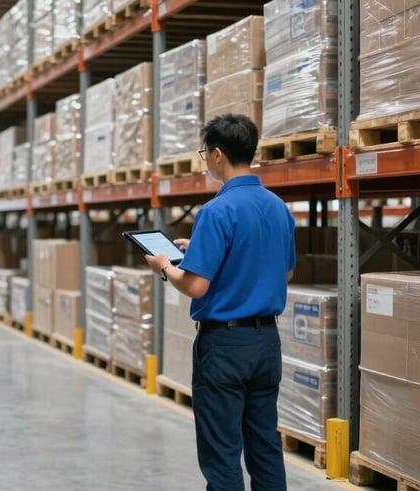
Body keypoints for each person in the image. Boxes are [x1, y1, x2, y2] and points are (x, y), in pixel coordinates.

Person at [144, 114, 295, 491]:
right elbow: (284, 272)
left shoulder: (216, 211)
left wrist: (164, 266)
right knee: (264, 445)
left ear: (216, 154)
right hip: (266, 345)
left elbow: (195, 286)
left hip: (225, 347)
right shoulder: (278, 207)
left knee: (222, 451)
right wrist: (198, 251)